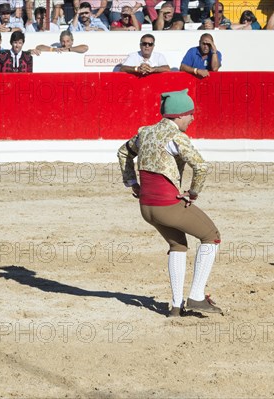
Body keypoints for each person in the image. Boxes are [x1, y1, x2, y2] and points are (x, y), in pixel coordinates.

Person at [117, 89, 222, 318]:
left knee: (178, 245)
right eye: (190, 114)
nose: (193, 118)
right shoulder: (176, 137)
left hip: (146, 207)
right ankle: (196, 296)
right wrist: (193, 193)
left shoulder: (145, 132)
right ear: (178, 116)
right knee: (211, 236)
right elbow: (201, 167)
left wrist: (132, 182)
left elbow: (123, 152)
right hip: (168, 206)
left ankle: (176, 306)